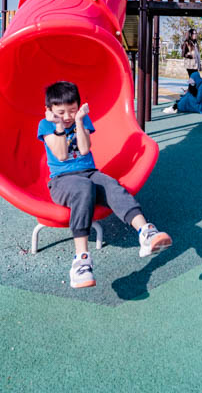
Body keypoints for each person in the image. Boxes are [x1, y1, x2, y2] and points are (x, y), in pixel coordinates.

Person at [38, 80, 172, 289]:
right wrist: (57, 126)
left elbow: (84, 150)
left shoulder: (80, 119)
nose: (67, 117)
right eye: (61, 112)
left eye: (72, 111)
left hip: (89, 172)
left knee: (111, 184)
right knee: (84, 189)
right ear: (49, 110)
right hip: (62, 181)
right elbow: (62, 155)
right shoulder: (46, 125)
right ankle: (81, 261)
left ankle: (145, 232)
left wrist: (80, 121)